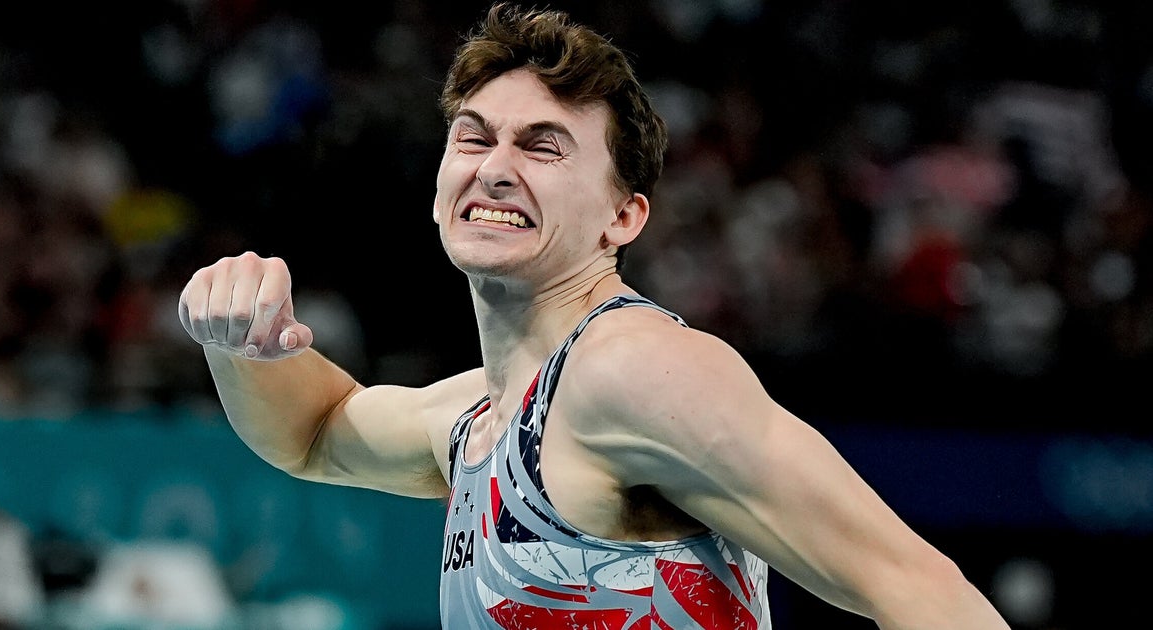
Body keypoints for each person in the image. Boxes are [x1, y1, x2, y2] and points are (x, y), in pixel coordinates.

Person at [178, 3, 1012, 628]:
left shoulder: (636, 372)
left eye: (543, 147)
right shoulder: (473, 417)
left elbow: (922, 592)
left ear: (624, 218)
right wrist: (240, 344)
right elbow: (314, 433)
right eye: (473, 139)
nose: (496, 169)